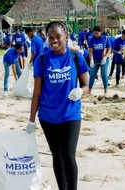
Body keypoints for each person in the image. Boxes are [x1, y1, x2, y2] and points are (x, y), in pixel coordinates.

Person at [26, 21, 89, 190]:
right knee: (57, 155)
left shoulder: (76, 57)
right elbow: (37, 92)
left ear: (66, 37)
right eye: (51, 37)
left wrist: (81, 91)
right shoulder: (42, 59)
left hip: (70, 114)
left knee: (68, 155)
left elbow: (86, 85)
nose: (54, 41)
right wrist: (31, 120)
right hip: (47, 116)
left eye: (58, 37)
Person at [88, 26, 111, 95]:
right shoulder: (92, 39)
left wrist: (105, 57)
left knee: (103, 74)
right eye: (94, 33)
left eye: (97, 33)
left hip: (104, 59)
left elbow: (109, 49)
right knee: (92, 74)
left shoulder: (105, 38)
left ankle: (105, 90)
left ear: (100, 32)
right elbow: (90, 51)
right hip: (95, 59)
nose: (95, 35)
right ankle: (89, 90)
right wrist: (91, 60)